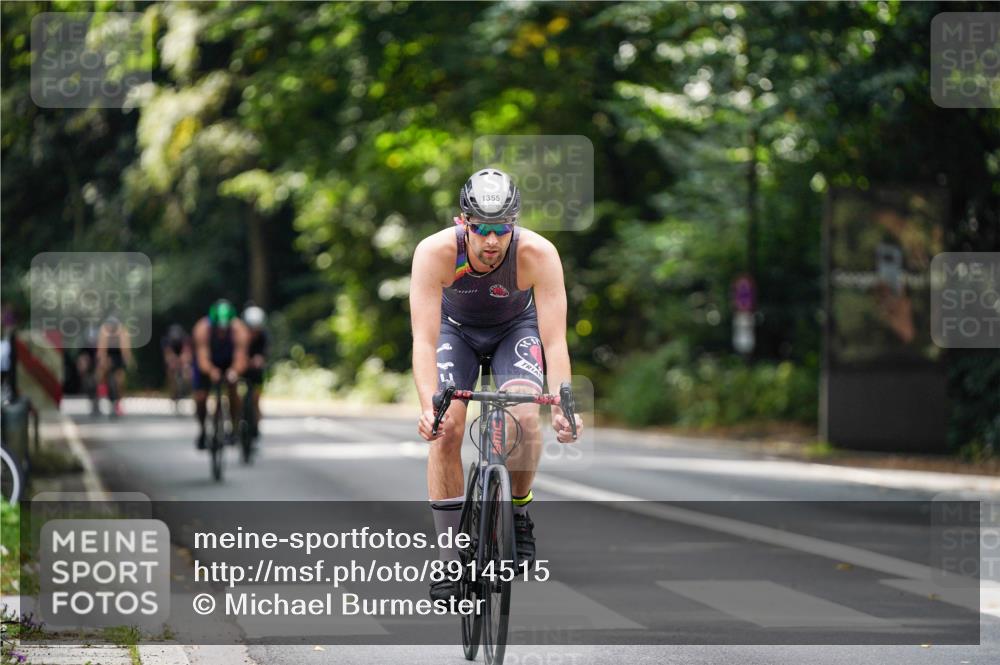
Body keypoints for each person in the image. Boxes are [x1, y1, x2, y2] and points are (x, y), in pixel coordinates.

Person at [409, 168, 583, 602]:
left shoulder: (538, 254)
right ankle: (452, 558)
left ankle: (519, 512)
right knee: (447, 427)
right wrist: (428, 407)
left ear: (515, 225)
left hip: (514, 331)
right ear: (462, 222)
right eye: (481, 229)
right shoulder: (435, 253)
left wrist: (563, 404)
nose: (491, 241)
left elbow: (555, 339)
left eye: (502, 229)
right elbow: (424, 339)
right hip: (455, 332)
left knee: (525, 416)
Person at [191, 300, 249, 450]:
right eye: (219, 329)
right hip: (208, 362)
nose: (222, 332)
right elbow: (202, 357)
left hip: (228, 361)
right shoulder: (202, 329)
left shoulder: (239, 330)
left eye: (225, 329)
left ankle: (233, 427)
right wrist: (211, 371)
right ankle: (203, 430)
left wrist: (234, 371)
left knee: (234, 390)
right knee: (200, 397)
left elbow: (241, 357)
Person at [96, 315, 135, 418]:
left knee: (120, 381)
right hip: (108, 354)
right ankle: (102, 394)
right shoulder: (104, 331)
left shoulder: (122, 332)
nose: (111, 328)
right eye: (109, 326)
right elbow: (101, 350)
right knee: (101, 374)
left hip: (118, 355)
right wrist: (102, 362)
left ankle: (118, 402)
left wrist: (128, 360)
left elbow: (126, 349)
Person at [241, 304, 268, 439]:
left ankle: (256, 426)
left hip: (256, 371)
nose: (254, 332)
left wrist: (259, 360)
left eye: (256, 329)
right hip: (242, 368)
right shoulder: (239, 335)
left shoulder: (263, 337)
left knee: (256, 398)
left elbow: (264, 354)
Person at [161, 324, 192, 405]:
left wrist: (184, 363)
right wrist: (173, 362)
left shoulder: (185, 339)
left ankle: (187, 388)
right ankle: (173, 392)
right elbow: (168, 354)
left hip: (182, 352)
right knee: (170, 371)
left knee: (187, 370)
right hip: (173, 354)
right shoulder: (167, 340)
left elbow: (187, 353)